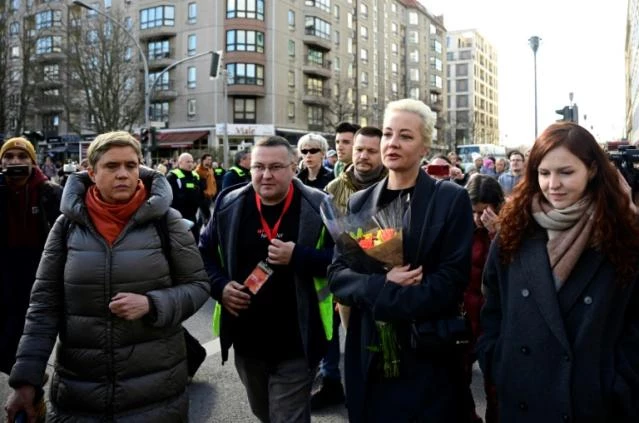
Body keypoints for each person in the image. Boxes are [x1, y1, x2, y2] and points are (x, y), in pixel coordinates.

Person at [4, 131, 210, 422]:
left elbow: (198, 285)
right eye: (112, 166)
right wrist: (25, 381)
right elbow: (43, 306)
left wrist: (153, 304)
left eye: (131, 165)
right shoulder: (67, 227)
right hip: (79, 396)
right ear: (91, 172)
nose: (123, 174)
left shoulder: (167, 221)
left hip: (155, 395)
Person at [477, 122, 639, 421]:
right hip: (521, 395)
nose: (553, 184)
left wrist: (618, 383)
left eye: (566, 172)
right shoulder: (514, 228)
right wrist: (498, 360)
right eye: (544, 173)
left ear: (591, 170)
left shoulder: (622, 234)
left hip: (591, 403)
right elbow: (493, 304)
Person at [328, 99, 474, 422]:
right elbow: (338, 275)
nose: (392, 143)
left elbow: (450, 281)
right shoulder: (360, 201)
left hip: (428, 356)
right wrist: (382, 286)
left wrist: (388, 301)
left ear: (425, 146)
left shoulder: (449, 199)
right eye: (388, 134)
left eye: (405, 136)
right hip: (370, 354)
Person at [200, 136, 335, 423]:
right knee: (264, 412)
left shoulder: (319, 205)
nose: (266, 175)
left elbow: (344, 260)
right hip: (248, 340)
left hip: (297, 339)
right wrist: (220, 287)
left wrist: (299, 256)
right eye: (259, 166)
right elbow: (203, 256)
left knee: (287, 417)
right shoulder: (229, 203)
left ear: (293, 167)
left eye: (276, 167)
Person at [313, 126, 387, 411]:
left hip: (388, 282)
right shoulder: (333, 189)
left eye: (371, 151)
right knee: (355, 350)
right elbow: (329, 238)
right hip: (348, 285)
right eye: (359, 150)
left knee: (386, 355)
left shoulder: (394, 183)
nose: (363, 156)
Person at [0, 137, 62, 378]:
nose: (15, 161)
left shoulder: (49, 191)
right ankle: (25, 375)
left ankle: (29, 380)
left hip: (39, 267)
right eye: (9, 156)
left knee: (28, 328)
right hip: (5, 266)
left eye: (22, 156)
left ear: (33, 162)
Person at [464, 175, 504, 423]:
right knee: (457, 381)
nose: (479, 219)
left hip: (496, 319)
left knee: (496, 387)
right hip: (465, 315)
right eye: (474, 212)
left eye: (485, 212)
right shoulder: (458, 226)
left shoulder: (510, 226)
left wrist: (497, 234)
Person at [166, 152, 206, 243]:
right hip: (178, 217)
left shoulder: (195, 176)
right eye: (188, 162)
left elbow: (200, 196)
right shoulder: (172, 176)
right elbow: (168, 197)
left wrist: (205, 212)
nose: (191, 164)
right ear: (180, 163)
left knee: (195, 241)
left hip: (192, 216)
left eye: (192, 161)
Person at [195, 153, 217, 222]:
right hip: (203, 197)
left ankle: (197, 231)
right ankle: (209, 232)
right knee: (208, 217)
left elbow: (213, 182)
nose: (209, 161)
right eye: (208, 159)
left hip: (210, 196)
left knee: (202, 218)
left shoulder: (210, 169)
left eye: (210, 159)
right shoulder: (198, 171)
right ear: (203, 160)